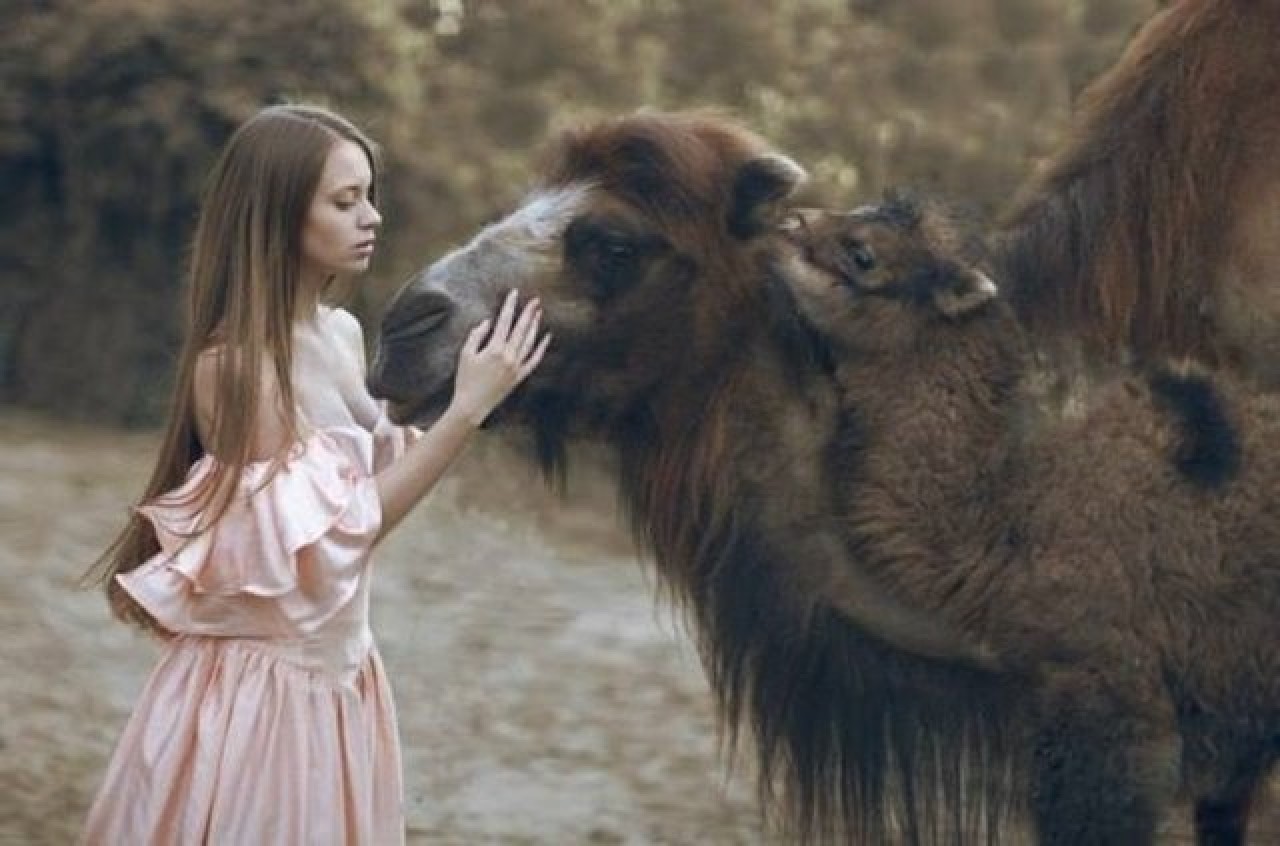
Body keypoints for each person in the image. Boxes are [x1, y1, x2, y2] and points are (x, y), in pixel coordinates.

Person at [79, 103, 549, 844]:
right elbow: (343, 535)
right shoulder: (234, 368)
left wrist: (479, 377)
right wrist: (466, 412)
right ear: (277, 214)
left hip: (339, 675)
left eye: (369, 195)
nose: (372, 218)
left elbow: (375, 462)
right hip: (267, 701)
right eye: (344, 200)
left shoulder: (340, 332)